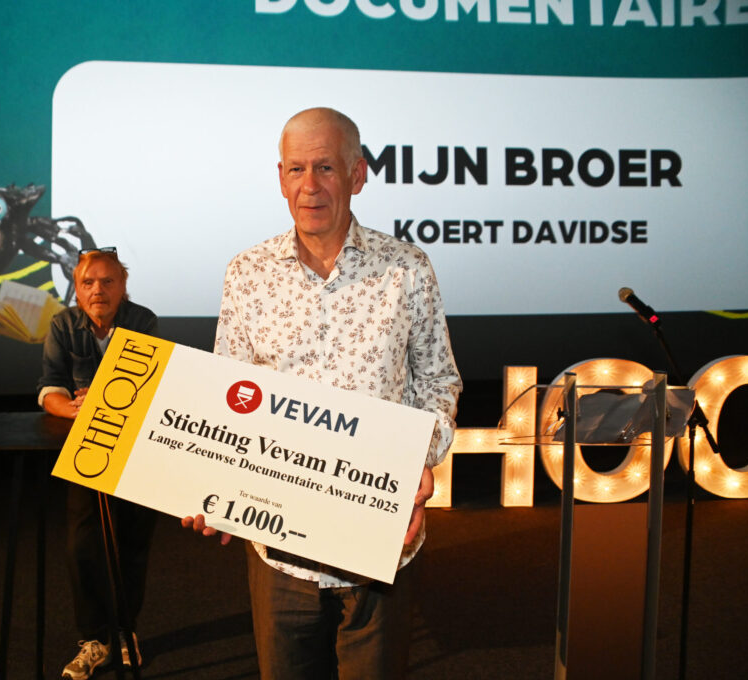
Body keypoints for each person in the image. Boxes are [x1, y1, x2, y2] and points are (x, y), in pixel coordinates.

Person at [183, 107, 462, 679]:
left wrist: (418, 458)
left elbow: (439, 382)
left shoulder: (407, 268)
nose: (309, 185)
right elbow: (226, 396)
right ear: (280, 178)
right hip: (277, 548)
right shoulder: (247, 273)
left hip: (381, 539)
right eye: (296, 169)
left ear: (357, 175)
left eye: (326, 168)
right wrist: (210, 481)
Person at [38, 247, 159, 680]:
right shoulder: (62, 324)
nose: (98, 290)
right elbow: (50, 388)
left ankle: (126, 631)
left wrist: (106, 398)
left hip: (137, 448)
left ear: (123, 287)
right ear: (76, 289)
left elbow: (154, 386)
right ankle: (94, 640)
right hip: (87, 448)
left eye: (108, 281)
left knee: (132, 543)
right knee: (82, 545)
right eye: (88, 283)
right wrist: (75, 409)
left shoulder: (143, 321)